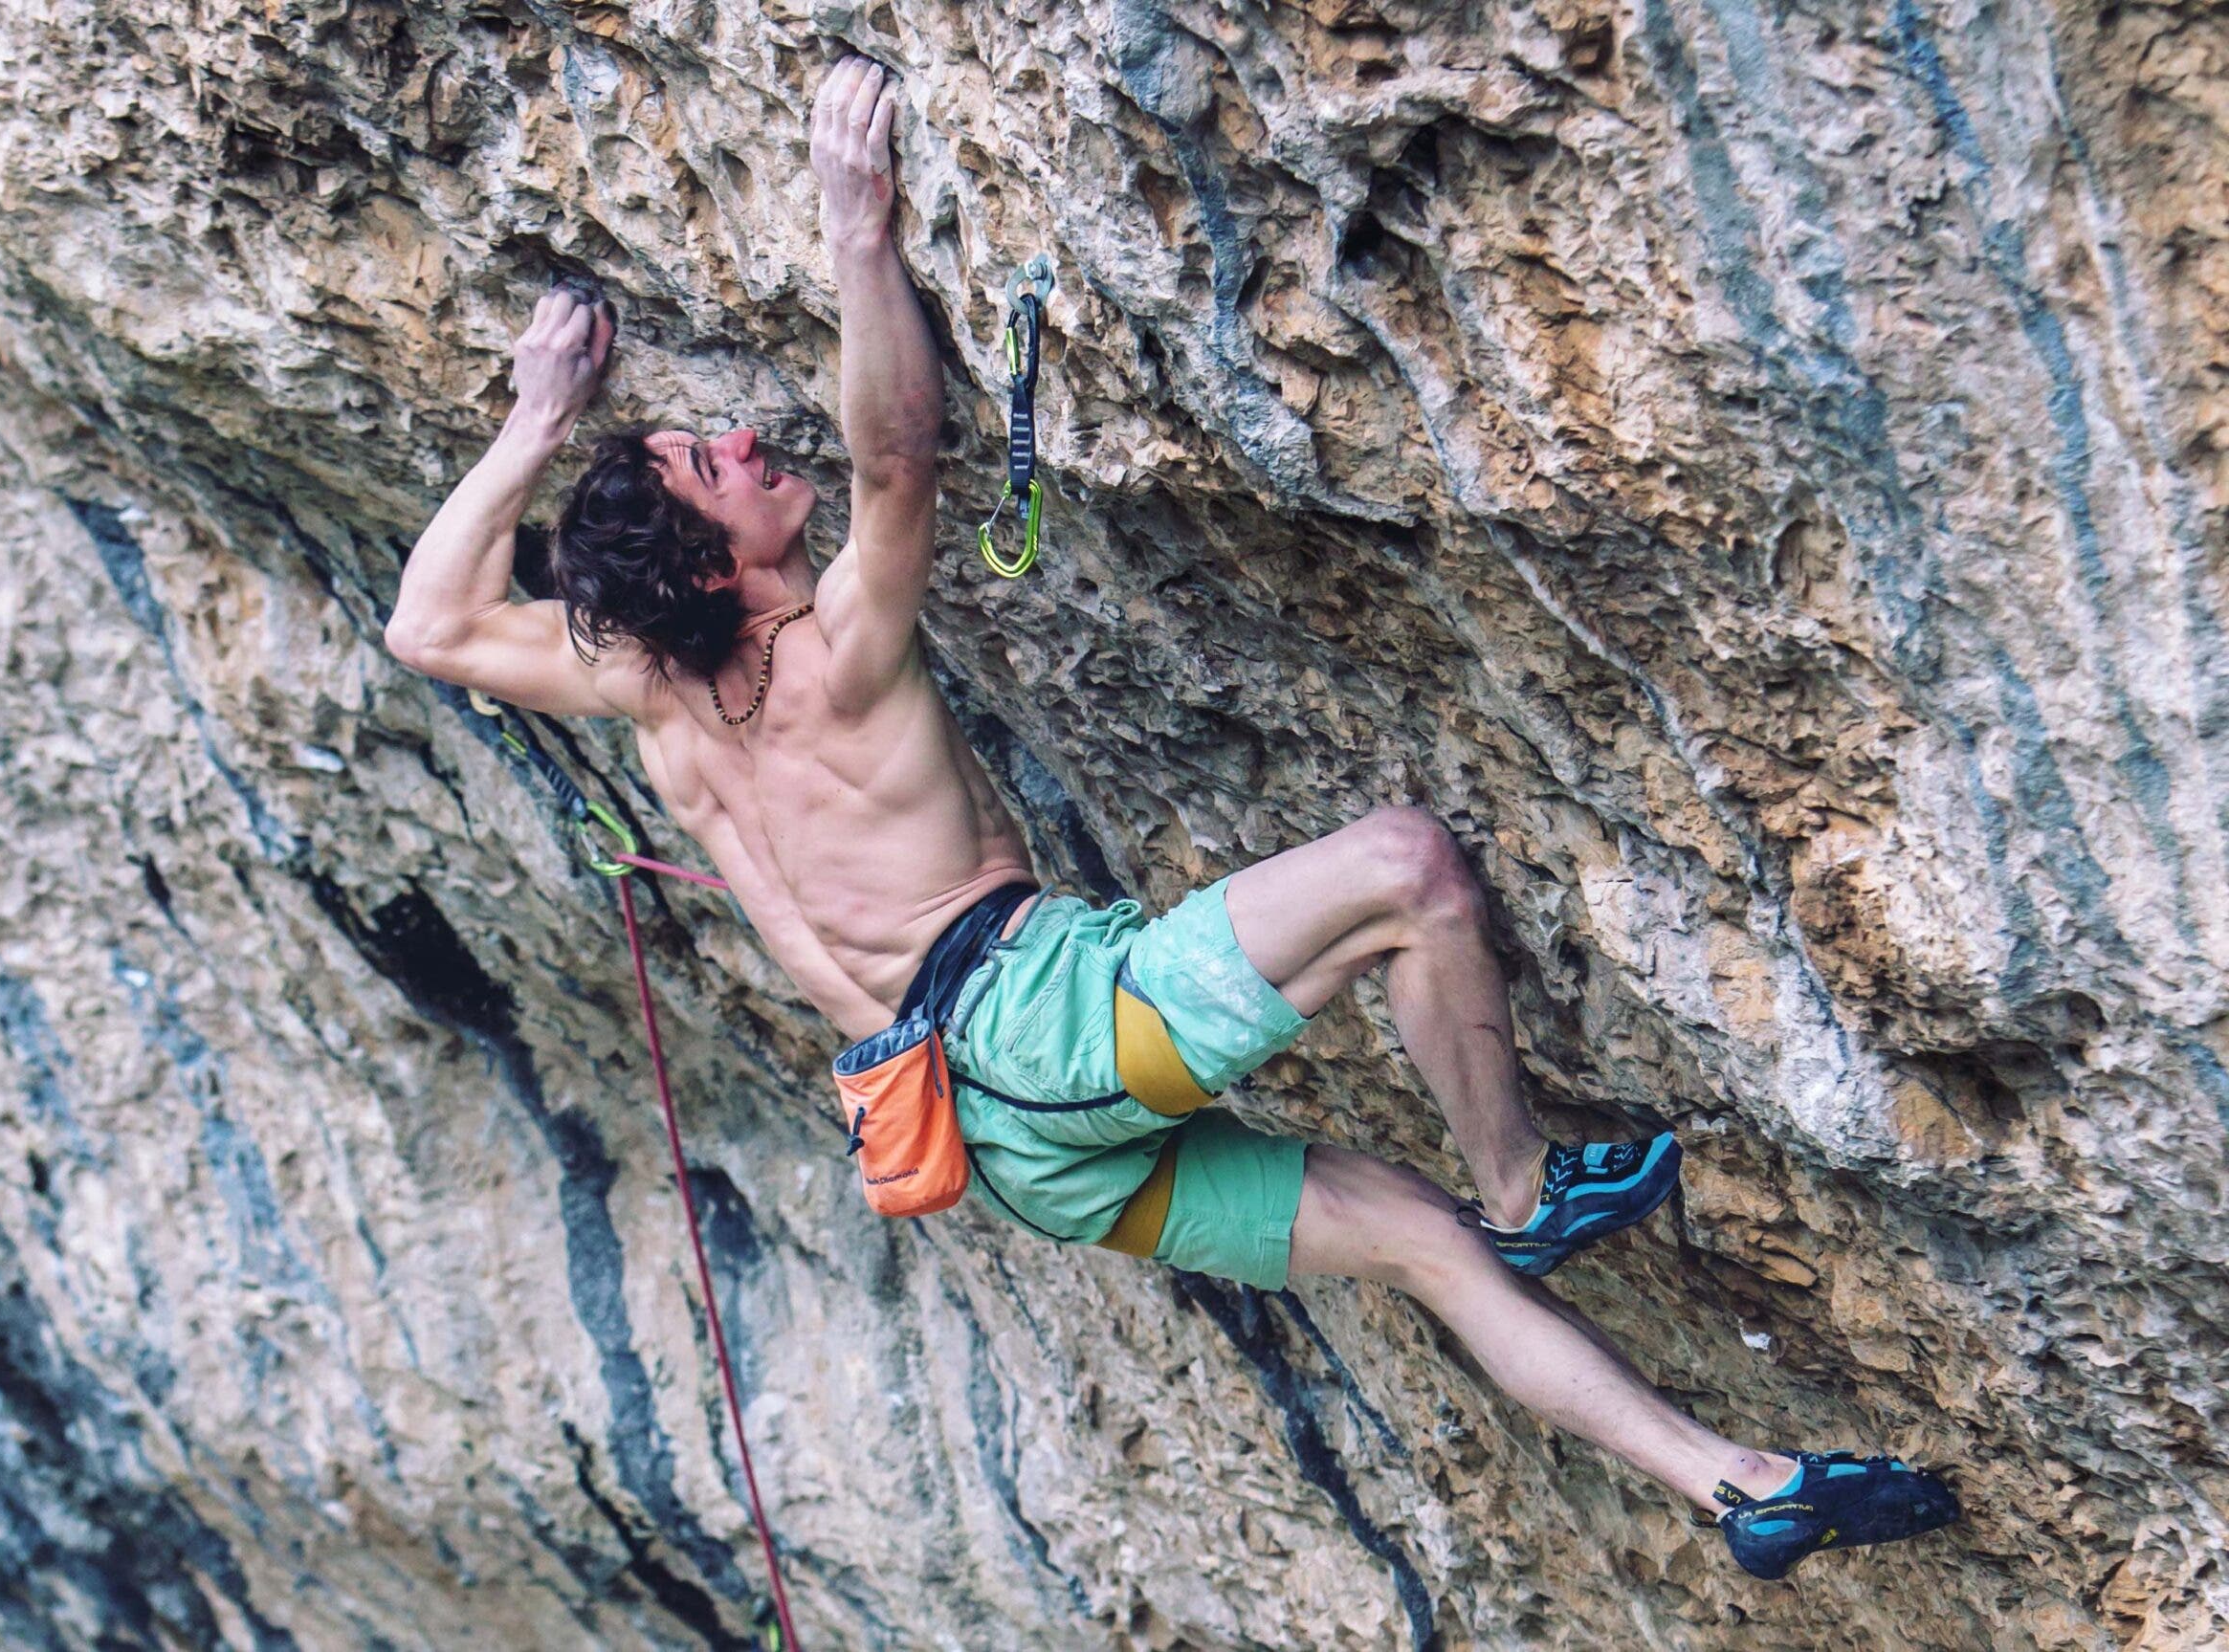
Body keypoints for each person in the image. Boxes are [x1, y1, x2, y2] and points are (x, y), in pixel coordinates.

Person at [385, 54, 1959, 1580]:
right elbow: (895, 451)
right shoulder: (836, 645)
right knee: (1408, 870)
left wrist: (536, 420)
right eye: (710, 464)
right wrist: (856, 224)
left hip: (982, 1145)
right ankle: (1526, 1183)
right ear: (719, 561)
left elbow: (432, 629)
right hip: (1042, 1029)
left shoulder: (647, 695)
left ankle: (1739, 1485)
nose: (741, 441)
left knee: (1411, 1246)